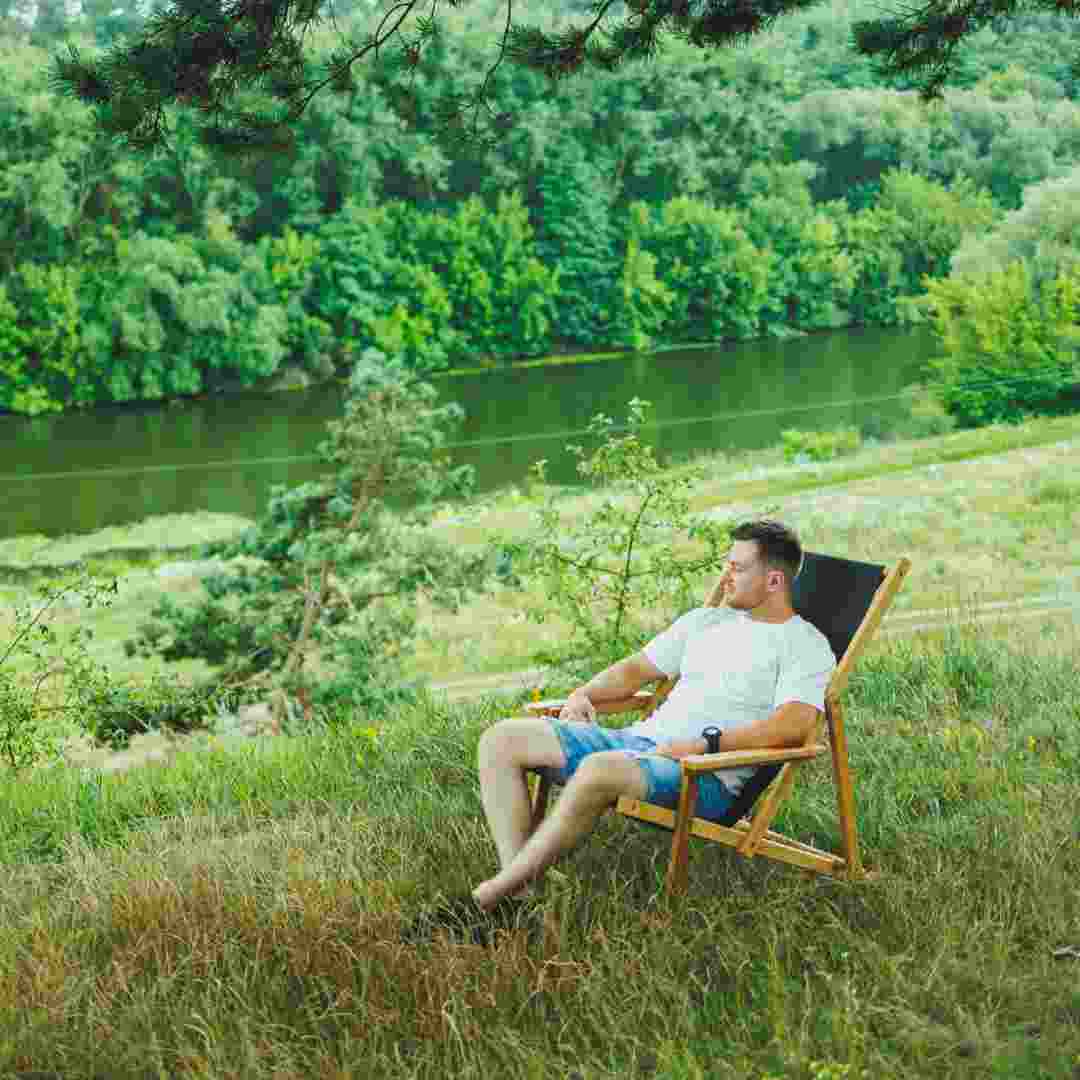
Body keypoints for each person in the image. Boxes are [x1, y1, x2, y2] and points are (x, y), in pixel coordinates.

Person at [409, 519, 837, 941]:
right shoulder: (705, 622)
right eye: (726, 564)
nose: (725, 576)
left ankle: (485, 900)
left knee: (599, 769)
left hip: (702, 773)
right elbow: (634, 671)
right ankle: (520, 900)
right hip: (641, 743)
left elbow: (795, 725)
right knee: (501, 739)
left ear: (775, 580)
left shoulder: (804, 644)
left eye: (737, 568)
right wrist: (584, 695)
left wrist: (705, 744)